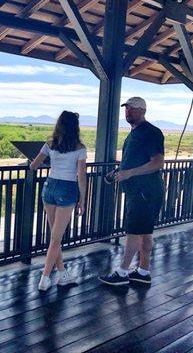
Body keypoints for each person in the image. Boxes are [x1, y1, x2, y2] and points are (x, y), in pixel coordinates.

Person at [99, 97, 164, 286]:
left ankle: (122, 272)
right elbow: (133, 160)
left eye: (133, 109)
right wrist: (118, 172)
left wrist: (130, 173)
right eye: (127, 109)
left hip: (145, 192)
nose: (128, 112)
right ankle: (143, 271)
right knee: (145, 232)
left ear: (143, 110)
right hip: (142, 192)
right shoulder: (134, 134)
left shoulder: (150, 132)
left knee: (134, 232)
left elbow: (158, 162)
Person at [30, 110, 87, 291]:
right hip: (66, 189)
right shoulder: (80, 148)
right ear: (75, 127)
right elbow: (82, 176)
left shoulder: (50, 144)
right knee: (56, 238)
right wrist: (83, 200)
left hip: (49, 188)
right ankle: (45, 278)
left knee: (55, 236)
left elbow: (33, 166)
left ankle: (62, 274)